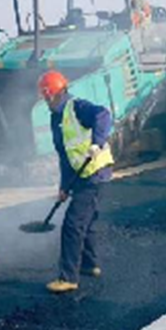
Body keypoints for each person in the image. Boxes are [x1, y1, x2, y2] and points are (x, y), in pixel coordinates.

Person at [38, 70, 114, 294]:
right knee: (85, 221)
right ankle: (90, 265)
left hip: (95, 173)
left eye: (47, 96)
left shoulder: (77, 107)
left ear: (55, 93)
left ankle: (68, 277)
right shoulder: (56, 118)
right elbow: (65, 155)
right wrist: (64, 187)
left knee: (72, 225)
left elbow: (104, 115)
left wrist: (97, 143)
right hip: (80, 174)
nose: (46, 101)